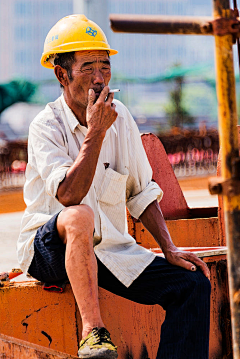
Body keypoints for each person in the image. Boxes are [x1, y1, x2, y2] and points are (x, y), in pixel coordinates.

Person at [17, 14, 211, 359]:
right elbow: (68, 196)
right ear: (62, 75)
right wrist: (95, 133)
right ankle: (94, 332)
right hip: (49, 251)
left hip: (107, 251)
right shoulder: (46, 125)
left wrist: (169, 248)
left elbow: (142, 190)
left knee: (192, 284)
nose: (98, 78)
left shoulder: (120, 116)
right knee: (78, 215)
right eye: (87, 68)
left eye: (104, 67)